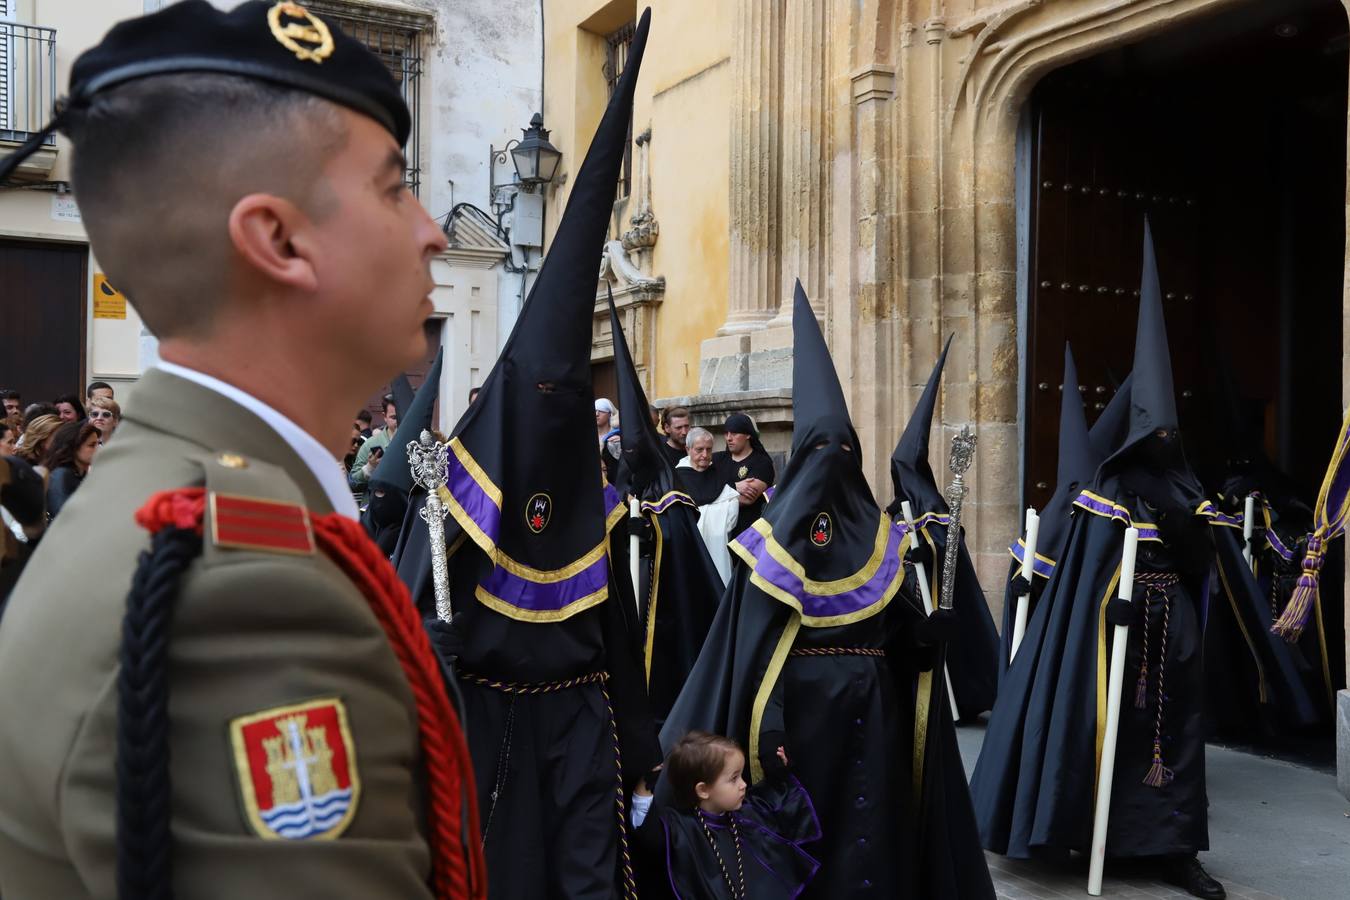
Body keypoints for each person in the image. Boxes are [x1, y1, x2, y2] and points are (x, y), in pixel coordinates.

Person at [0, 4, 484, 898]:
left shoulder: (191, 504)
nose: (432, 231)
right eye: (392, 187)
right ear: (278, 241)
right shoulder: (243, 583)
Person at [394, 14, 659, 897]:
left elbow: (615, 626)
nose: (557, 422)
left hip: (583, 718)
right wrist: (433, 650)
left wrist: (641, 748)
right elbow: (403, 622)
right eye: (540, 402)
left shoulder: (596, 506)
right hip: (490, 722)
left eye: (568, 407)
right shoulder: (457, 499)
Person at [661, 282, 994, 899]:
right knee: (821, 841)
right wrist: (769, 728)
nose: (833, 461)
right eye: (821, 449)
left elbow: (898, 634)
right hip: (804, 721)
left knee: (878, 826)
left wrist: (925, 637)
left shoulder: (881, 537)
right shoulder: (771, 544)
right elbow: (754, 651)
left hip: (877, 713)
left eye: (844, 449)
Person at [971, 222, 1224, 900]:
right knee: (1102, 734)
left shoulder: (1187, 488)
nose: (1164, 440)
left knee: (1173, 741)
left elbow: (1206, 563)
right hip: (1107, 635)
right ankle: (1093, 835)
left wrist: (1182, 527)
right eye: (1154, 431)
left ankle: (1174, 848)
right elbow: (1081, 565)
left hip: (1172, 632)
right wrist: (1111, 595)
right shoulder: (1106, 492)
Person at [605, 292, 724, 727]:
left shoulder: (670, 493)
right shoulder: (617, 487)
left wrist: (649, 535)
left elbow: (683, 549)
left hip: (666, 613)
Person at [887, 335, 1000, 722]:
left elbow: (953, 549)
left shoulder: (935, 505)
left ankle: (966, 697)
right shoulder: (893, 510)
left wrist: (927, 552)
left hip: (942, 596)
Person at [631, 731, 821, 899]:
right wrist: (645, 784)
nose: (743, 784)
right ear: (703, 790)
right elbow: (647, 831)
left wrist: (780, 772)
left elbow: (776, 800)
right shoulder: (680, 828)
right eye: (733, 778)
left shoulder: (746, 812)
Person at [675, 427, 740, 584]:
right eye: (699, 450)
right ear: (688, 449)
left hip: (718, 546)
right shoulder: (676, 478)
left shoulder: (720, 473)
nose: (705, 455)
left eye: (708, 449)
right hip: (687, 544)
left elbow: (732, 502)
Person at [712, 413, 774, 539]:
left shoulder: (761, 463)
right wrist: (735, 486)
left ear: (748, 434)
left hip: (746, 535)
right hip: (716, 531)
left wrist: (710, 497)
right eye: (726, 433)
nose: (729, 438)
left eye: (734, 433)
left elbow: (746, 499)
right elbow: (696, 487)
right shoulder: (716, 459)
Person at [41, 421, 100, 520]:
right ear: (74, 447)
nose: (98, 449)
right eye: (92, 445)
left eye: (98, 444)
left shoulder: (82, 473)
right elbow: (64, 517)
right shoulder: (61, 476)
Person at [349, 395, 397, 491]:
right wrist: (369, 468)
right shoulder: (371, 444)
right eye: (394, 417)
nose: (399, 421)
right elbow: (352, 481)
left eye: (403, 415)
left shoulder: (420, 440)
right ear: (384, 417)